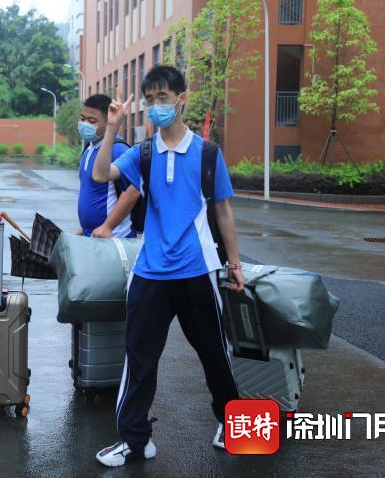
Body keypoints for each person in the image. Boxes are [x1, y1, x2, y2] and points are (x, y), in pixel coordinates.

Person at [91, 65, 245, 467]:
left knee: (214, 353)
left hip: (197, 270)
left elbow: (223, 211)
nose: (156, 105)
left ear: (181, 100)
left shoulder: (207, 154)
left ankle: (232, 425)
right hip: (150, 272)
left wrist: (234, 263)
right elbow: (101, 173)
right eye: (150, 99)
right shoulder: (143, 153)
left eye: (163, 97)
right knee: (139, 359)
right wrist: (112, 127)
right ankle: (135, 440)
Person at [76, 94, 140, 239]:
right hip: (92, 235)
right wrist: (84, 228)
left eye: (92, 121)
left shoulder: (118, 149)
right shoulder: (89, 148)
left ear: (108, 121)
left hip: (114, 237)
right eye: (83, 119)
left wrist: (108, 226)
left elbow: (133, 191)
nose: (85, 124)